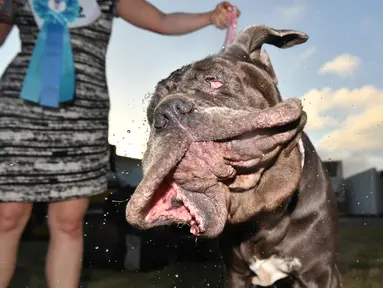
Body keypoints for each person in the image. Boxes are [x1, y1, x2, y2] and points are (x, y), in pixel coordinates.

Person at [0, 0, 241, 287]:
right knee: (7, 216)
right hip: (19, 110)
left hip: (83, 113)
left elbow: (162, 20)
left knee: (69, 220)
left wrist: (209, 17)